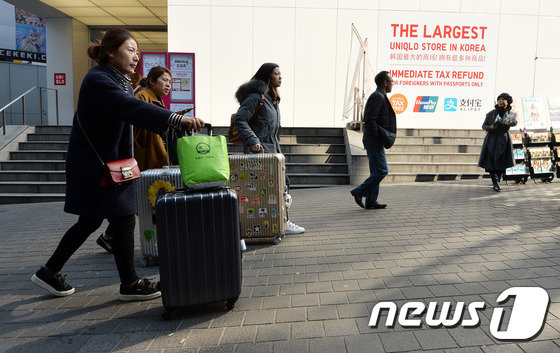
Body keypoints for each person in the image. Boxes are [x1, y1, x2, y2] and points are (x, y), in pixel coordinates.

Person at [31, 29, 204, 301]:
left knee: (90, 221)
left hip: (108, 165)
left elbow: (131, 110)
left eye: (137, 51)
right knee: (122, 219)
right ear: (110, 52)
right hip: (94, 166)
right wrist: (174, 119)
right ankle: (129, 284)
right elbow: (131, 108)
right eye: (130, 49)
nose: (136, 56)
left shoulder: (118, 80)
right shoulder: (99, 80)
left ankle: (49, 272)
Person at [96, 65, 185, 254]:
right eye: (164, 80)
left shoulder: (155, 99)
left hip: (151, 155)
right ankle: (112, 238)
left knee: (140, 201)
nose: (168, 85)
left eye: (170, 82)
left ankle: (109, 237)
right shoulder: (142, 96)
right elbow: (139, 123)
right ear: (152, 81)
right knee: (143, 200)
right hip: (142, 157)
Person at [233, 62, 305, 234]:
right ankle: (270, 224)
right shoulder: (257, 96)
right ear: (267, 76)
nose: (280, 77)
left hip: (272, 151)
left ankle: (280, 222)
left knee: (282, 186)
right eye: (276, 74)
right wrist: (253, 140)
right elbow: (240, 118)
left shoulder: (272, 99)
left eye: (281, 74)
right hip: (260, 152)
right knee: (267, 190)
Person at [350, 71, 396, 209]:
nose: (393, 84)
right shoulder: (378, 96)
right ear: (385, 82)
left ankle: (371, 201)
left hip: (373, 139)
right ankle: (359, 191)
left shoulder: (380, 96)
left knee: (376, 170)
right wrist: (378, 136)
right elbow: (369, 120)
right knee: (382, 170)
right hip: (373, 140)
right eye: (391, 81)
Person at [478, 93, 517, 192]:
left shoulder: (509, 113)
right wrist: (490, 127)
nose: (501, 101)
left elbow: (513, 122)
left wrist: (505, 122)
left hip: (503, 139)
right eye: (499, 99)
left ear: (507, 102)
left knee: (501, 161)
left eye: (503, 99)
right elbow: (484, 126)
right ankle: (495, 182)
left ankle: (497, 180)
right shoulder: (491, 113)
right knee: (490, 161)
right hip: (491, 139)